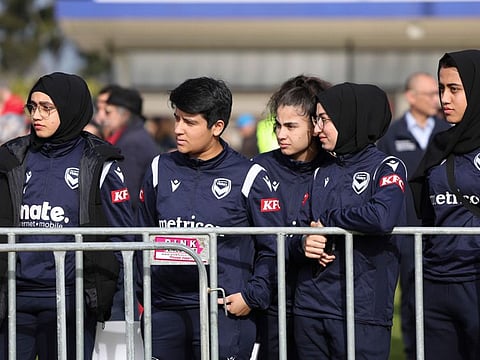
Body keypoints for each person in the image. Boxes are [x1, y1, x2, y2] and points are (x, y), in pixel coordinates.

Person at [135, 77, 281, 360]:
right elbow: (140, 236)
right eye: (176, 119)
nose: (178, 129)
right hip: (164, 310)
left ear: (217, 127)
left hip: (223, 312)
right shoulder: (158, 168)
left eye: (189, 122)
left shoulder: (249, 176)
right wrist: (145, 293)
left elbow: (272, 247)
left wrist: (252, 296)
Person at [0, 72, 134, 360]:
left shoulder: (99, 162)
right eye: (33, 107)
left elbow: (124, 239)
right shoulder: (11, 157)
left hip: (72, 299)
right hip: (15, 296)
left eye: (47, 108)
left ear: (70, 108)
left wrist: (121, 307)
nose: (37, 115)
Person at [295, 82, 407, 359]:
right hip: (311, 305)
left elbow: (381, 216)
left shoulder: (387, 167)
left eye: (324, 120)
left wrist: (330, 221)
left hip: (363, 308)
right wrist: (304, 243)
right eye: (316, 119)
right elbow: (300, 225)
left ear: (351, 119)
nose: (317, 128)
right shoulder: (319, 169)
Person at [252, 74, 331, 360]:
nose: (280, 134)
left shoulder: (336, 168)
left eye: (290, 126)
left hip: (322, 304)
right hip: (270, 304)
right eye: (278, 125)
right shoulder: (258, 168)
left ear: (315, 125)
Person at [409, 49, 480, 360]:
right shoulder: (439, 146)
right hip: (436, 281)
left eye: (455, 89)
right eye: (441, 89)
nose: (444, 99)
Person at [376, 72, 450, 360]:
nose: (438, 99)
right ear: (411, 97)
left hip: (441, 232)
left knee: (440, 296)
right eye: (431, 93)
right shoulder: (392, 136)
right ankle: (413, 352)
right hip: (406, 232)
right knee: (409, 298)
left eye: (439, 92)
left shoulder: (448, 133)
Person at [104, 86, 158, 211]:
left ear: (125, 114)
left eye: (108, 112)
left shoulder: (132, 143)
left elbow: (126, 192)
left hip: (129, 221)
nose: (104, 118)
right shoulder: (134, 136)